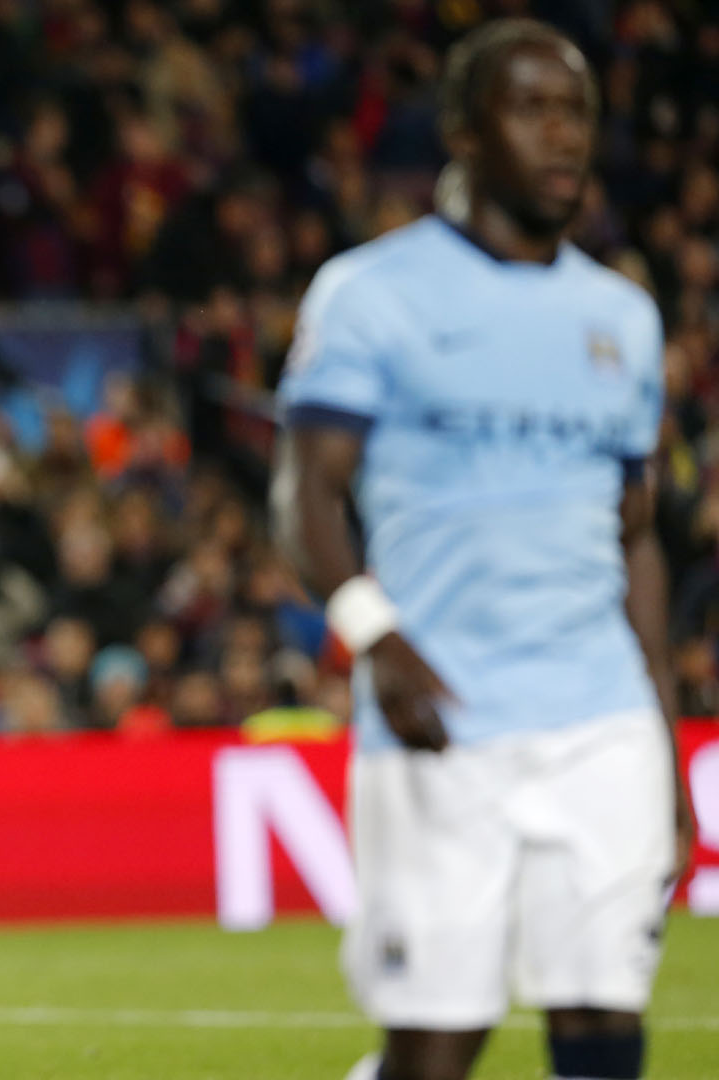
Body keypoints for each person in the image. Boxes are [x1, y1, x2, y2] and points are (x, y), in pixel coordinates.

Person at [273, 21, 692, 1080]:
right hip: (442, 720)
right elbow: (306, 496)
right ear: (465, 131)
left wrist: (662, 734)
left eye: (578, 113)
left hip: (599, 719)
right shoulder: (371, 295)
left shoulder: (623, 317)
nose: (562, 138)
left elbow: (633, 538)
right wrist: (377, 638)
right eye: (532, 110)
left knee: (602, 1021)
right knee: (438, 1044)